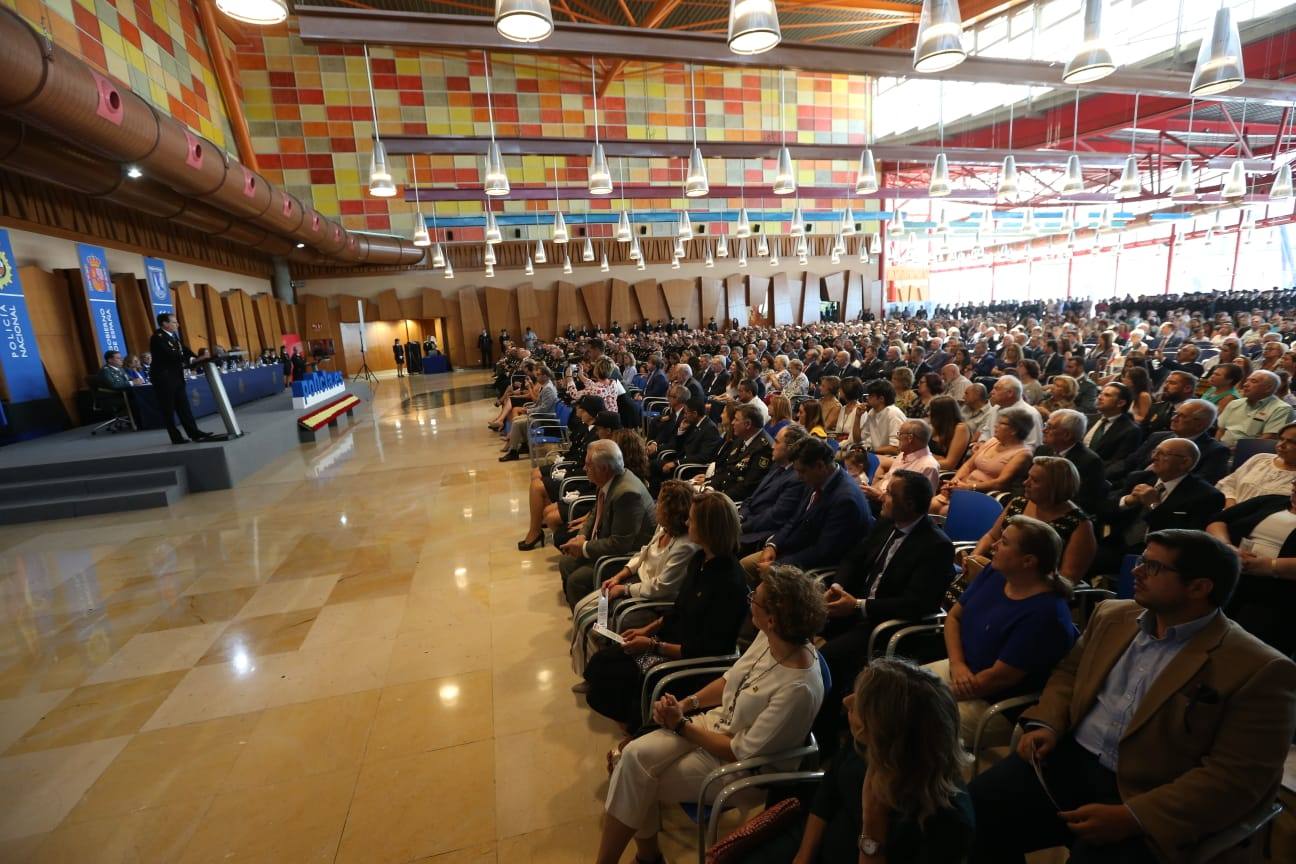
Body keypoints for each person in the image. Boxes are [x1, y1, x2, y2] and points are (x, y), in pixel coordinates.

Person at [969, 530, 1296, 864]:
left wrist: (1135, 817)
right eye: (1142, 560)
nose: (1136, 571)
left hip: (1150, 792)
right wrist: (1047, 723)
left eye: (1152, 567)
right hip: (1071, 758)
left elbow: (1237, 777)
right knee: (975, 808)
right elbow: (1069, 674)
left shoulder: (1260, 668)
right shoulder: (1111, 616)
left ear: (1199, 587)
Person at [594, 565, 827, 864]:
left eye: (754, 598)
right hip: (715, 726)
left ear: (773, 618)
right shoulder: (772, 637)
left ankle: (642, 859)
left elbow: (739, 751)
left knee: (631, 777)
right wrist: (685, 705)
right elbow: (730, 680)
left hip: (746, 769)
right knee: (631, 759)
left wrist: (681, 726)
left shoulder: (798, 688)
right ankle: (647, 857)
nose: (749, 601)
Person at [738, 659, 975, 864]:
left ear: (888, 732)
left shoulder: (948, 821)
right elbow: (827, 797)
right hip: (818, 843)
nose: (847, 701)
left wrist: (873, 823)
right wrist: (803, 857)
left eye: (862, 703)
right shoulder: (864, 746)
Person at [815, 470, 954, 752]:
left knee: (827, 657)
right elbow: (853, 558)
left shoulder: (936, 546)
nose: (882, 497)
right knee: (798, 623)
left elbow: (916, 604)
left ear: (910, 504)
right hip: (854, 606)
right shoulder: (886, 524)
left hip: (885, 624)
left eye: (890, 494)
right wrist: (838, 586)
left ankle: (824, 739)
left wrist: (858, 605)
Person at [932, 516, 1078, 742]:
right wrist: (958, 664)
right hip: (960, 671)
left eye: (1005, 543)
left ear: (1028, 561)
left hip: (994, 703)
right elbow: (954, 617)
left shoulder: (1045, 615)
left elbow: (997, 680)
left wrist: (931, 694)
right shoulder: (995, 572)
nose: (994, 545)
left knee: (910, 718)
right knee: (892, 694)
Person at [571, 480, 701, 683]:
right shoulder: (664, 528)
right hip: (634, 583)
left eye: (660, 502)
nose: (655, 505)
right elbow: (643, 553)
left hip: (649, 598)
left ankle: (596, 677)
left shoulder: (685, 545)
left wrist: (624, 589)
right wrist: (620, 575)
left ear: (671, 510)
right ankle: (588, 671)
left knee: (595, 627)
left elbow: (661, 587)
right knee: (581, 609)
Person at [742, 437, 873, 579]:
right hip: (793, 549)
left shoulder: (845, 500)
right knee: (745, 565)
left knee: (750, 571)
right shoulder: (816, 480)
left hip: (811, 567)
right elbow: (794, 520)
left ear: (820, 466)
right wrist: (773, 544)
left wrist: (778, 566)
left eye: (802, 471)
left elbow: (823, 552)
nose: (799, 477)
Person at [1097, 438, 1225, 573]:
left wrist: (1154, 505)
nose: (1154, 458)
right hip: (1117, 545)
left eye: (1163, 454)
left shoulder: (1206, 496)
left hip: (1162, 558)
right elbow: (1103, 512)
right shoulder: (1139, 478)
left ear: (1185, 462)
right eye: (1155, 452)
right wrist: (1127, 501)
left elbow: (1183, 539)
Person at [968, 457, 1097, 588]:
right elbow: (992, 536)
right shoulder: (1018, 503)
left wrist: (1005, 579)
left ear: (1055, 487)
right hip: (989, 572)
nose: (1025, 483)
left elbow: (1067, 579)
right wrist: (973, 558)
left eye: (1034, 480)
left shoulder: (1080, 525)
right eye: (1028, 477)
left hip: (1027, 589)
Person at [560, 439, 657, 607]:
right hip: (607, 542)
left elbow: (620, 545)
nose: (584, 468)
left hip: (627, 557)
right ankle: (580, 610)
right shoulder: (608, 479)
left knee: (577, 580)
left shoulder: (627, 493)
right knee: (566, 562)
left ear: (604, 468)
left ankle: (593, 618)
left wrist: (584, 547)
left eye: (588, 465)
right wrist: (582, 536)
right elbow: (594, 513)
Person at [1207, 477, 1296, 656]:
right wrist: (1228, 547)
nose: (1294, 488)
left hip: (1279, 590)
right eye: (1295, 482)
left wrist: (1269, 566)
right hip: (1232, 572)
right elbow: (1218, 521)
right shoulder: (1271, 501)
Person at [931, 408, 1035, 515]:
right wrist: (953, 482)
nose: (995, 425)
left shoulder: (1023, 454)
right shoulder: (992, 441)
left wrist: (969, 487)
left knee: (945, 511)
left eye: (1002, 423)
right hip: (961, 488)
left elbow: (999, 483)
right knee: (930, 505)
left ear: (1015, 430)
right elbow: (968, 465)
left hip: (985, 496)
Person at [1114, 398, 1230, 484]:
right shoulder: (1157, 436)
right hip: (1126, 484)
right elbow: (1129, 462)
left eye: (1182, 416)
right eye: (1175, 414)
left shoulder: (1216, 452)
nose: (1174, 418)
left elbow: (1198, 484)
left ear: (1200, 424)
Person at [738, 424, 808, 553]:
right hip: (748, 521)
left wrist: (741, 526)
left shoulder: (797, 478)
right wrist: (740, 516)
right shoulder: (777, 465)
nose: (772, 446)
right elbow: (753, 498)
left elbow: (775, 516)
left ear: (790, 448)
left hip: (759, 532)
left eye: (777, 442)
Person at [148, 312, 214, 445]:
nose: (177, 324)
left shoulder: (173, 336)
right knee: (168, 409)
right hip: (164, 378)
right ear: (165, 324)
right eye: (174, 322)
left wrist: (196, 358)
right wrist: (193, 360)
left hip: (176, 376)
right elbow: (170, 355)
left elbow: (184, 350)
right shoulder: (158, 337)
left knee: (184, 407)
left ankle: (194, 433)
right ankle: (175, 437)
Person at [699, 404, 773, 502]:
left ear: (747, 424)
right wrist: (710, 487)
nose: (732, 422)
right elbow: (726, 468)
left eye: (736, 419)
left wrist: (716, 497)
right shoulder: (741, 438)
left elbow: (748, 487)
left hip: (733, 501)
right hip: (721, 492)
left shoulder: (763, 449)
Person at [864, 419, 941, 509]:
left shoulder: (928, 466)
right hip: (878, 501)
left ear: (910, 438)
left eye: (900, 434)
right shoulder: (903, 454)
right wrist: (870, 490)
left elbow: (915, 506)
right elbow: (887, 479)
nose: (897, 437)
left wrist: (879, 496)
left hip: (893, 511)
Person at [1216, 421, 1296, 507]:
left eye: (1292, 442)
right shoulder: (1260, 458)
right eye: (1281, 439)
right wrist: (1231, 506)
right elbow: (1228, 484)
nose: (1281, 445)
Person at [1216, 369, 1294, 448]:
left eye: (1253, 381)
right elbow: (1220, 430)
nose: (1245, 384)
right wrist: (1217, 448)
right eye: (1247, 380)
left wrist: (1237, 450)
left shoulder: (1281, 409)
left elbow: (1268, 439)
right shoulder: (1235, 403)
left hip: (1250, 452)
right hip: (1222, 448)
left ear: (1268, 388)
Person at [1083, 383, 1143, 471]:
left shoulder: (1131, 430)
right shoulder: (1088, 419)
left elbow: (1119, 463)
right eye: (1101, 393)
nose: (1099, 397)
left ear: (1120, 403)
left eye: (1107, 395)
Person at [978, 376, 1043, 448]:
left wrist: (1002, 452)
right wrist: (981, 443)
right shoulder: (995, 408)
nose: (991, 392)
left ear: (1010, 393)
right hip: (988, 450)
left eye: (996, 389)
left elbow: (1032, 446)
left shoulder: (1030, 414)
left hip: (1013, 454)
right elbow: (986, 431)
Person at [1140, 370, 1196, 435]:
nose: (1165, 386)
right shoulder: (1156, 407)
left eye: (1172, 383)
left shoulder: (1194, 413)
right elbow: (1143, 431)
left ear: (1187, 388)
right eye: (1166, 382)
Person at [858, 379, 906, 455]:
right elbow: (859, 438)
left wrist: (871, 451)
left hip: (892, 457)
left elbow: (896, 448)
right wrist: (857, 417)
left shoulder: (893, 413)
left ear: (881, 399)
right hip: (878, 454)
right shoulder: (872, 412)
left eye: (871, 395)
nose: (867, 398)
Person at [927, 394, 972, 471]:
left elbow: (949, 464)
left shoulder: (961, 429)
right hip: (931, 468)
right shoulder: (936, 428)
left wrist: (923, 460)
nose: (928, 413)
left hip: (944, 473)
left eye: (931, 411)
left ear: (941, 413)